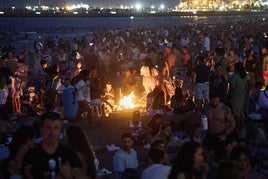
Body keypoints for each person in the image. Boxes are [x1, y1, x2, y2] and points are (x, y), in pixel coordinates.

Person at [22, 111, 83, 179]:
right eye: (48, 127)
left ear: (60, 131)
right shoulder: (31, 155)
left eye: (56, 128)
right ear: (42, 130)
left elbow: (80, 174)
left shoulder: (69, 153)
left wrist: (70, 176)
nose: (52, 132)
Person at [203, 93, 236, 162]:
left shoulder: (224, 109)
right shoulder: (206, 108)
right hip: (210, 134)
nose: (215, 103)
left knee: (228, 149)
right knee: (206, 152)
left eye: (216, 102)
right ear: (210, 100)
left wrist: (225, 134)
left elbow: (232, 124)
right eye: (213, 102)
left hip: (221, 134)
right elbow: (200, 119)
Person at [229, 62, 248, 128]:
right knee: (240, 111)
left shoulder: (234, 76)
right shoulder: (244, 76)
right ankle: (241, 125)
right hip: (242, 96)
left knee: (236, 113)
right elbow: (246, 87)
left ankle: (237, 127)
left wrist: (229, 94)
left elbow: (232, 87)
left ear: (236, 68)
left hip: (235, 96)